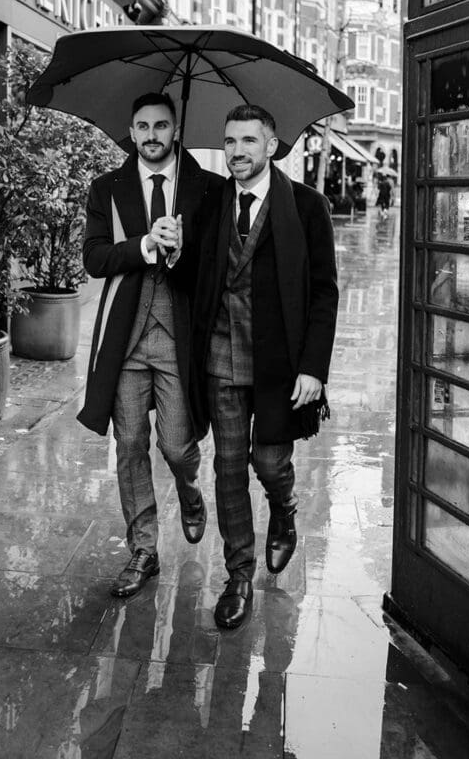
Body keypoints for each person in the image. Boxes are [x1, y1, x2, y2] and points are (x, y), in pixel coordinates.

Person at [192, 104, 339, 629]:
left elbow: (324, 292)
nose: (237, 151)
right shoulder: (210, 203)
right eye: (230, 141)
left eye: (249, 141)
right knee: (229, 467)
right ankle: (238, 575)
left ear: (272, 145)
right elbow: (192, 271)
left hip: (280, 365)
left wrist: (313, 368)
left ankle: (285, 508)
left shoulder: (306, 206)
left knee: (269, 463)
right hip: (220, 360)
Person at [78, 92, 223, 599]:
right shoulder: (106, 188)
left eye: (161, 125)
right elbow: (94, 258)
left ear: (175, 128)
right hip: (126, 341)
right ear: (132, 131)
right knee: (131, 445)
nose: (152, 135)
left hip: (178, 339)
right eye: (143, 126)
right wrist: (144, 244)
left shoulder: (207, 189)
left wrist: (184, 251)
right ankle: (143, 548)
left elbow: (220, 266)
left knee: (178, 445)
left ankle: (189, 489)